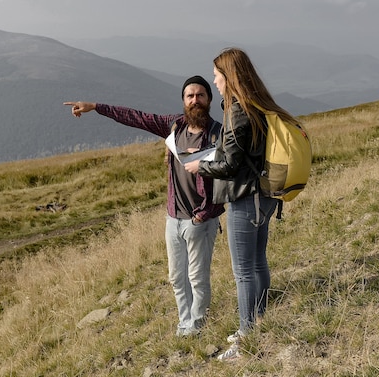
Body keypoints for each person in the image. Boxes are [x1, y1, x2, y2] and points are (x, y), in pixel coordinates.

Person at [64, 76, 225, 337]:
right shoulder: (174, 126)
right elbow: (135, 117)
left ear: (209, 99)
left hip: (201, 221)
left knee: (197, 278)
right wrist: (95, 106)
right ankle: (184, 324)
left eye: (200, 95)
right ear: (183, 101)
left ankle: (197, 325)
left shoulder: (218, 134)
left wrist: (203, 215)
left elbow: (226, 179)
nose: (195, 100)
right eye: (190, 96)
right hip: (173, 218)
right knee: (176, 277)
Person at [185, 48, 303, 362]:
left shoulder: (238, 109)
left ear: (229, 76)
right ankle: (258, 322)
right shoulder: (254, 106)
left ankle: (247, 338)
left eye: (217, 76)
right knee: (258, 262)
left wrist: (201, 167)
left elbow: (230, 163)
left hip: (243, 198)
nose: (215, 81)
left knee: (244, 273)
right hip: (261, 196)